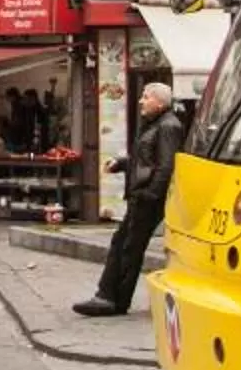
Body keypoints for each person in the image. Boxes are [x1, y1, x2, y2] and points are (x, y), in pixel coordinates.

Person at [74, 81, 185, 318]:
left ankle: (110, 298)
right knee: (124, 244)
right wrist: (121, 164)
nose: (141, 101)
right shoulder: (156, 124)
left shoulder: (168, 126)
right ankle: (109, 296)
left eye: (146, 96)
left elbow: (167, 166)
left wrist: (151, 194)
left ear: (159, 101)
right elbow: (144, 159)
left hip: (147, 197)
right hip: (143, 194)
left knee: (128, 247)